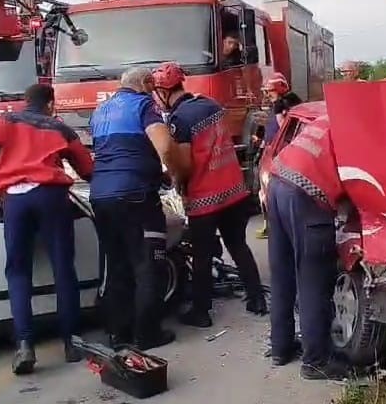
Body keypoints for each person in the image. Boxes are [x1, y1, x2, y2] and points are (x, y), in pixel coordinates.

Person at [0, 83, 94, 375]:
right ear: (50, 104)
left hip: (15, 200)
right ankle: (72, 342)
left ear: (25, 100)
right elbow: (87, 169)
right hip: (50, 196)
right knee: (63, 268)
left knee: (18, 272)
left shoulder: (6, 121)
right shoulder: (59, 128)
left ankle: (24, 345)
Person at [151, 62, 268, 327]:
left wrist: (176, 183)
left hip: (205, 198)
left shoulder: (180, 120)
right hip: (234, 191)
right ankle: (256, 297)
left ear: (163, 91)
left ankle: (201, 312)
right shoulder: (211, 105)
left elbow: (184, 163)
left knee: (201, 255)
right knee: (238, 245)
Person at [88, 67, 177, 350]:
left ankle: (118, 334)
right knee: (149, 264)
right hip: (136, 195)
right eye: (152, 84)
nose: (154, 89)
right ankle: (147, 334)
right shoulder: (143, 105)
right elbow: (164, 146)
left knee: (117, 266)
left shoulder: (100, 111)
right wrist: (171, 173)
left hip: (101, 196)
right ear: (144, 84)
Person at [266, 113, 350, 380]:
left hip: (278, 182)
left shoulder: (329, 115)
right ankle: (316, 361)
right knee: (315, 280)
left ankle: (280, 347)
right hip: (306, 196)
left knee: (283, 274)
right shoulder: (360, 128)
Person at [255, 73, 302, 240]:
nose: (268, 95)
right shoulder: (279, 105)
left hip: (280, 152)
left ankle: (276, 225)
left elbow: (284, 128)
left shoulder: (284, 106)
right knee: (265, 190)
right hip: (270, 150)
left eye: (271, 92)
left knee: (271, 189)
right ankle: (270, 224)